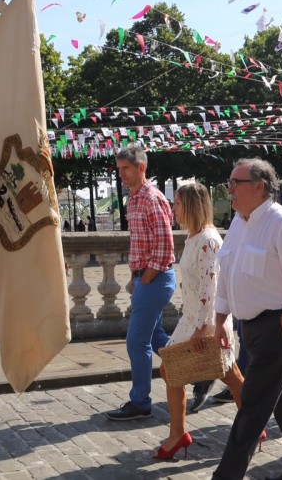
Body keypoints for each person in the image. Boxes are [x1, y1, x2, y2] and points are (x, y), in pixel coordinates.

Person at [212, 158, 282, 480]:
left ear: (259, 187)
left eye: (235, 183)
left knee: (252, 406)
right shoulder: (238, 224)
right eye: (229, 183)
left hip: (278, 326)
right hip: (252, 328)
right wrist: (220, 319)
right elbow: (226, 274)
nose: (229, 189)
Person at [153, 182, 248, 460]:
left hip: (204, 322)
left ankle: (180, 434)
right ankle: (180, 432)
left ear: (192, 206)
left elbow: (211, 287)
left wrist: (202, 328)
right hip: (192, 318)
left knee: (226, 374)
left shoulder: (208, 241)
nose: (173, 208)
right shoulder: (194, 237)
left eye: (178, 204)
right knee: (226, 374)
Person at [105, 145, 177, 421]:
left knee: (137, 341)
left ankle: (140, 402)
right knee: (158, 340)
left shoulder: (151, 198)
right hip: (146, 279)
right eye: (119, 168)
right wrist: (137, 279)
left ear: (141, 167)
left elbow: (165, 247)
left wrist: (144, 279)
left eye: (126, 168)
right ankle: (197, 373)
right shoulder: (134, 199)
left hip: (155, 278)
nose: (121, 173)